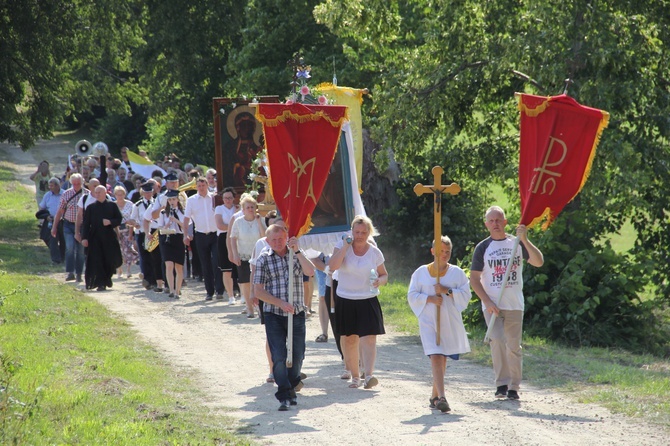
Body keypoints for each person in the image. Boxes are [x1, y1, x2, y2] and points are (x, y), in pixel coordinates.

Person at [470, 206, 544, 401]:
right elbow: (475, 279)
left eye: (498, 220)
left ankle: (514, 386)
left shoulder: (516, 243)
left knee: (513, 345)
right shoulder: (483, 248)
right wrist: (486, 301)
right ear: (486, 224)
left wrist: (525, 240)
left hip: (514, 304)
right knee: (497, 341)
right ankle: (501, 384)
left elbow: (538, 262)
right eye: (491, 221)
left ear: (505, 222)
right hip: (492, 305)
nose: (495, 224)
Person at [253, 224, 315, 411]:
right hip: (274, 314)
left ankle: (292, 383)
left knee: (297, 355)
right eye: (274, 240)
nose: (278, 243)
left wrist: (297, 251)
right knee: (279, 355)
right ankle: (284, 394)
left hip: (296, 312)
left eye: (281, 239)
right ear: (268, 241)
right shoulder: (264, 259)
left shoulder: (295, 255)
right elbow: (258, 290)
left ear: (286, 237)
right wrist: (279, 302)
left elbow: (310, 272)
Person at [407, 236, 471, 413]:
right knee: (435, 355)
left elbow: (466, 296)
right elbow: (411, 295)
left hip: (448, 321)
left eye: (447, 252)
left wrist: (446, 291)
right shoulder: (421, 273)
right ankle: (443, 397)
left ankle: (434, 396)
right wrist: (429, 298)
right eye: (441, 251)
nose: (444, 254)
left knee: (442, 358)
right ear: (433, 251)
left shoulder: (457, 273)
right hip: (428, 320)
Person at [328, 215, 389, 389]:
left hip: (367, 299)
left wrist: (380, 281)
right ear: (352, 232)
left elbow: (384, 274)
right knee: (350, 340)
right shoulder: (342, 246)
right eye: (357, 232)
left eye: (363, 232)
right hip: (346, 299)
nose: (360, 235)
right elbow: (332, 267)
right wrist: (346, 246)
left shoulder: (374, 252)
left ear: (369, 232)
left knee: (369, 338)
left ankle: (369, 375)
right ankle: (355, 376)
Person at [183, 177, 222, 301]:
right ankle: (209, 292)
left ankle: (219, 290)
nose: (201, 188)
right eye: (199, 186)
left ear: (207, 185)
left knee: (216, 262)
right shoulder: (191, 200)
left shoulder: (214, 197)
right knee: (205, 264)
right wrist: (185, 235)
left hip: (215, 234)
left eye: (203, 185)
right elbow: (186, 218)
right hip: (200, 234)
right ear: (196, 187)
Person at [230, 194, 266, 317]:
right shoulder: (238, 222)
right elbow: (232, 238)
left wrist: (258, 221)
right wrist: (235, 254)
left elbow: (264, 236)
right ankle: (249, 307)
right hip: (244, 255)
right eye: (248, 207)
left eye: (252, 207)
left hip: (258, 256)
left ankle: (260, 307)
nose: (250, 209)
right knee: (245, 283)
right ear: (243, 209)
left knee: (260, 283)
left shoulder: (260, 220)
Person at [81, 185, 123, 291]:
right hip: (95, 238)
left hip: (109, 237)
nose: (97, 194)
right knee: (97, 260)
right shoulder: (91, 207)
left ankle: (107, 278)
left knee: (109, 260)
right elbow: (85, 224)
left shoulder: (112, 206)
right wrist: (84, 238)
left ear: (105, 193)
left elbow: (119, 219)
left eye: (99, 192)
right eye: (96, 192)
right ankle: (101, 283)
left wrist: (110, 222)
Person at [51, 173, 89, 282]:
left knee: (81, 251)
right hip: (68, 224)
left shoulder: (87, 194)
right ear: (71, 183)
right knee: (70, 248)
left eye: (78, 183)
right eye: (74, 183)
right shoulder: (66, 194)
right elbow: (60, 211)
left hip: (82, 226)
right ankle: (70, 272)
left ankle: (79, 274)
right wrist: (54, 227)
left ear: (82, 183)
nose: (76, 185)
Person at [157, 190, 186, 298]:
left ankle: (178, 290)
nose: (172, 201)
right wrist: (167, 224)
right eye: (169, 199)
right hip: (167, 238)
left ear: (178, 199)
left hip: (178, 238)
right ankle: (171, 289)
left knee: (178, 266)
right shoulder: (163, 213)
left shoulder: (183, 212)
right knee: (169, 265)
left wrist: (176, 221)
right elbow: (160, 228)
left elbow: (186, 227)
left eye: (173, 199)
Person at [214, 187, 238, 303]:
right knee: (226, 269)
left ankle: (242, 293)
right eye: (225, 198)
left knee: (238, 267)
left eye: (230, 198)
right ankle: (230, 295)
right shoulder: (219, 209)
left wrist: (230, 226)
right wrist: (233, 226)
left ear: (233, 198)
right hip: (223, 238)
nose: (228, 200)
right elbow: (220, 225)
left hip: (237, 237)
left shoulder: (237, 209)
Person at [113, 186, 139, 278]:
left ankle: (128, 270)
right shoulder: (113, 205)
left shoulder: (130, 204)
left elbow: (132, 219)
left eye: (122, 194)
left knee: (127, 249)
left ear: (125, 194)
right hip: (116, 229)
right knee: (119, 250)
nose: (120, 196)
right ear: (115, 195)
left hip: (128, 229)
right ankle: (119, 270)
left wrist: (131, 233)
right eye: (118, 194)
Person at [38, 177, 65, 264]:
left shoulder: (65, 194)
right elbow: (42, 207)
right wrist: (45, 217)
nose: (50, 187)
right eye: (49, 186)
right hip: (51, 220)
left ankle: (62, 257)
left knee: (63, 239)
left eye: (52, 186)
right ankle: (56, 259)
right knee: (48, 238)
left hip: (62, 220)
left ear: (57, 186)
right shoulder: (47, 195)